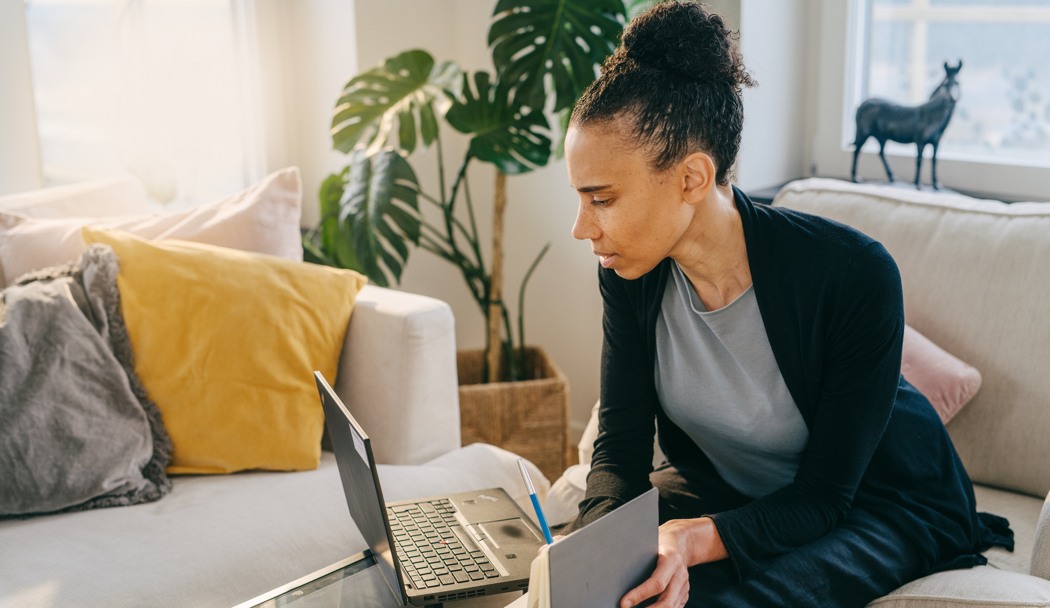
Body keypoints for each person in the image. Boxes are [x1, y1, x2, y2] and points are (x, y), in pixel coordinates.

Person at [560, 3, 1013, 607]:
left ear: (693, 179)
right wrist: (590, 567)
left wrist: (697, 542)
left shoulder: (854, 275)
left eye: (602, 199)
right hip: (728, 490)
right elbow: (618, 449)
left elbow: (825, 495)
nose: (581, 228)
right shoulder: (630, 272)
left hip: (877, 501)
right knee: (590, 574)